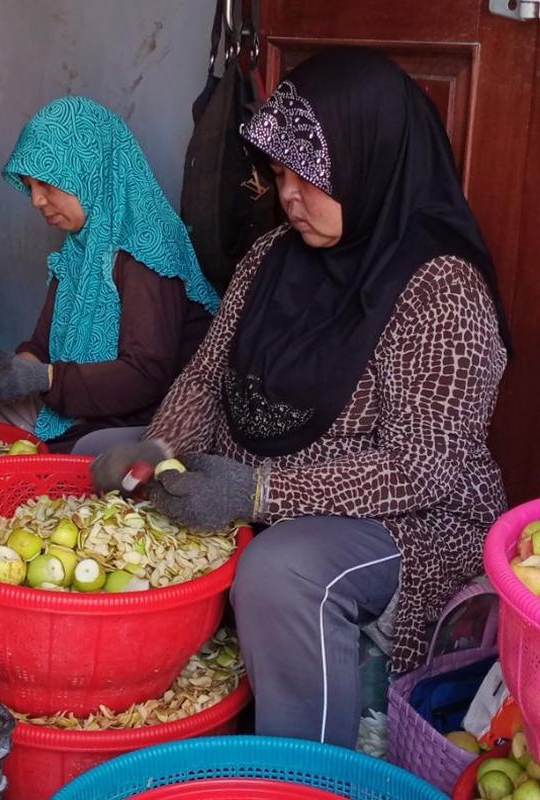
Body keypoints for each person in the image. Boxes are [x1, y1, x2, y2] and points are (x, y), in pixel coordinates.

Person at [91, 48, 510, 748]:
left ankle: (302, 777)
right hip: (262, 473)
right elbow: (204, 377)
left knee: (282, 567)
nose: (290, 196)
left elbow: (422, 468)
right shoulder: (273, 257)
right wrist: (158, 447)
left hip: (410, 521)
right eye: (282, 174)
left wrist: (258, 493)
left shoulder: (441, 287)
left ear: (371, 163)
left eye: (312, 177)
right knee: (100, 457)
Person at [0, 95, 220, 454]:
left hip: (133, 417)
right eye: (31, 187)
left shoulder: (148, 247)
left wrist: (43, 378)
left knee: (74, 450)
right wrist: (10, 374)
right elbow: (41, 346)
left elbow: (146, 375)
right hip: (65, 399)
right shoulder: (79, 248)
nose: (36, 200)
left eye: (47, 185)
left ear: (89, 173)